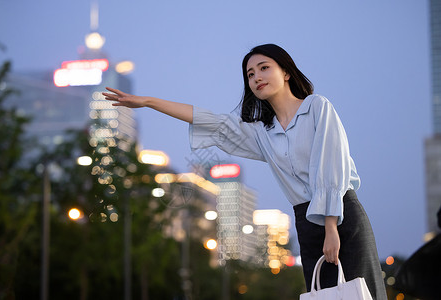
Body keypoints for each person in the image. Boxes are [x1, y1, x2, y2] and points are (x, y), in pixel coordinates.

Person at [103, 44, 387, 299]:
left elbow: (331, 165)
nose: (256, 77)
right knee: (327, 296)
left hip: (340, 216)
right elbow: (208, 121)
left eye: (264, 68)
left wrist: (330, 227)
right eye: (250, 74)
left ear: (286, 72)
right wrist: (149, 102)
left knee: (364, 294)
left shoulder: (317, 107)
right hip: (306, 222)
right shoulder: (263, 133)